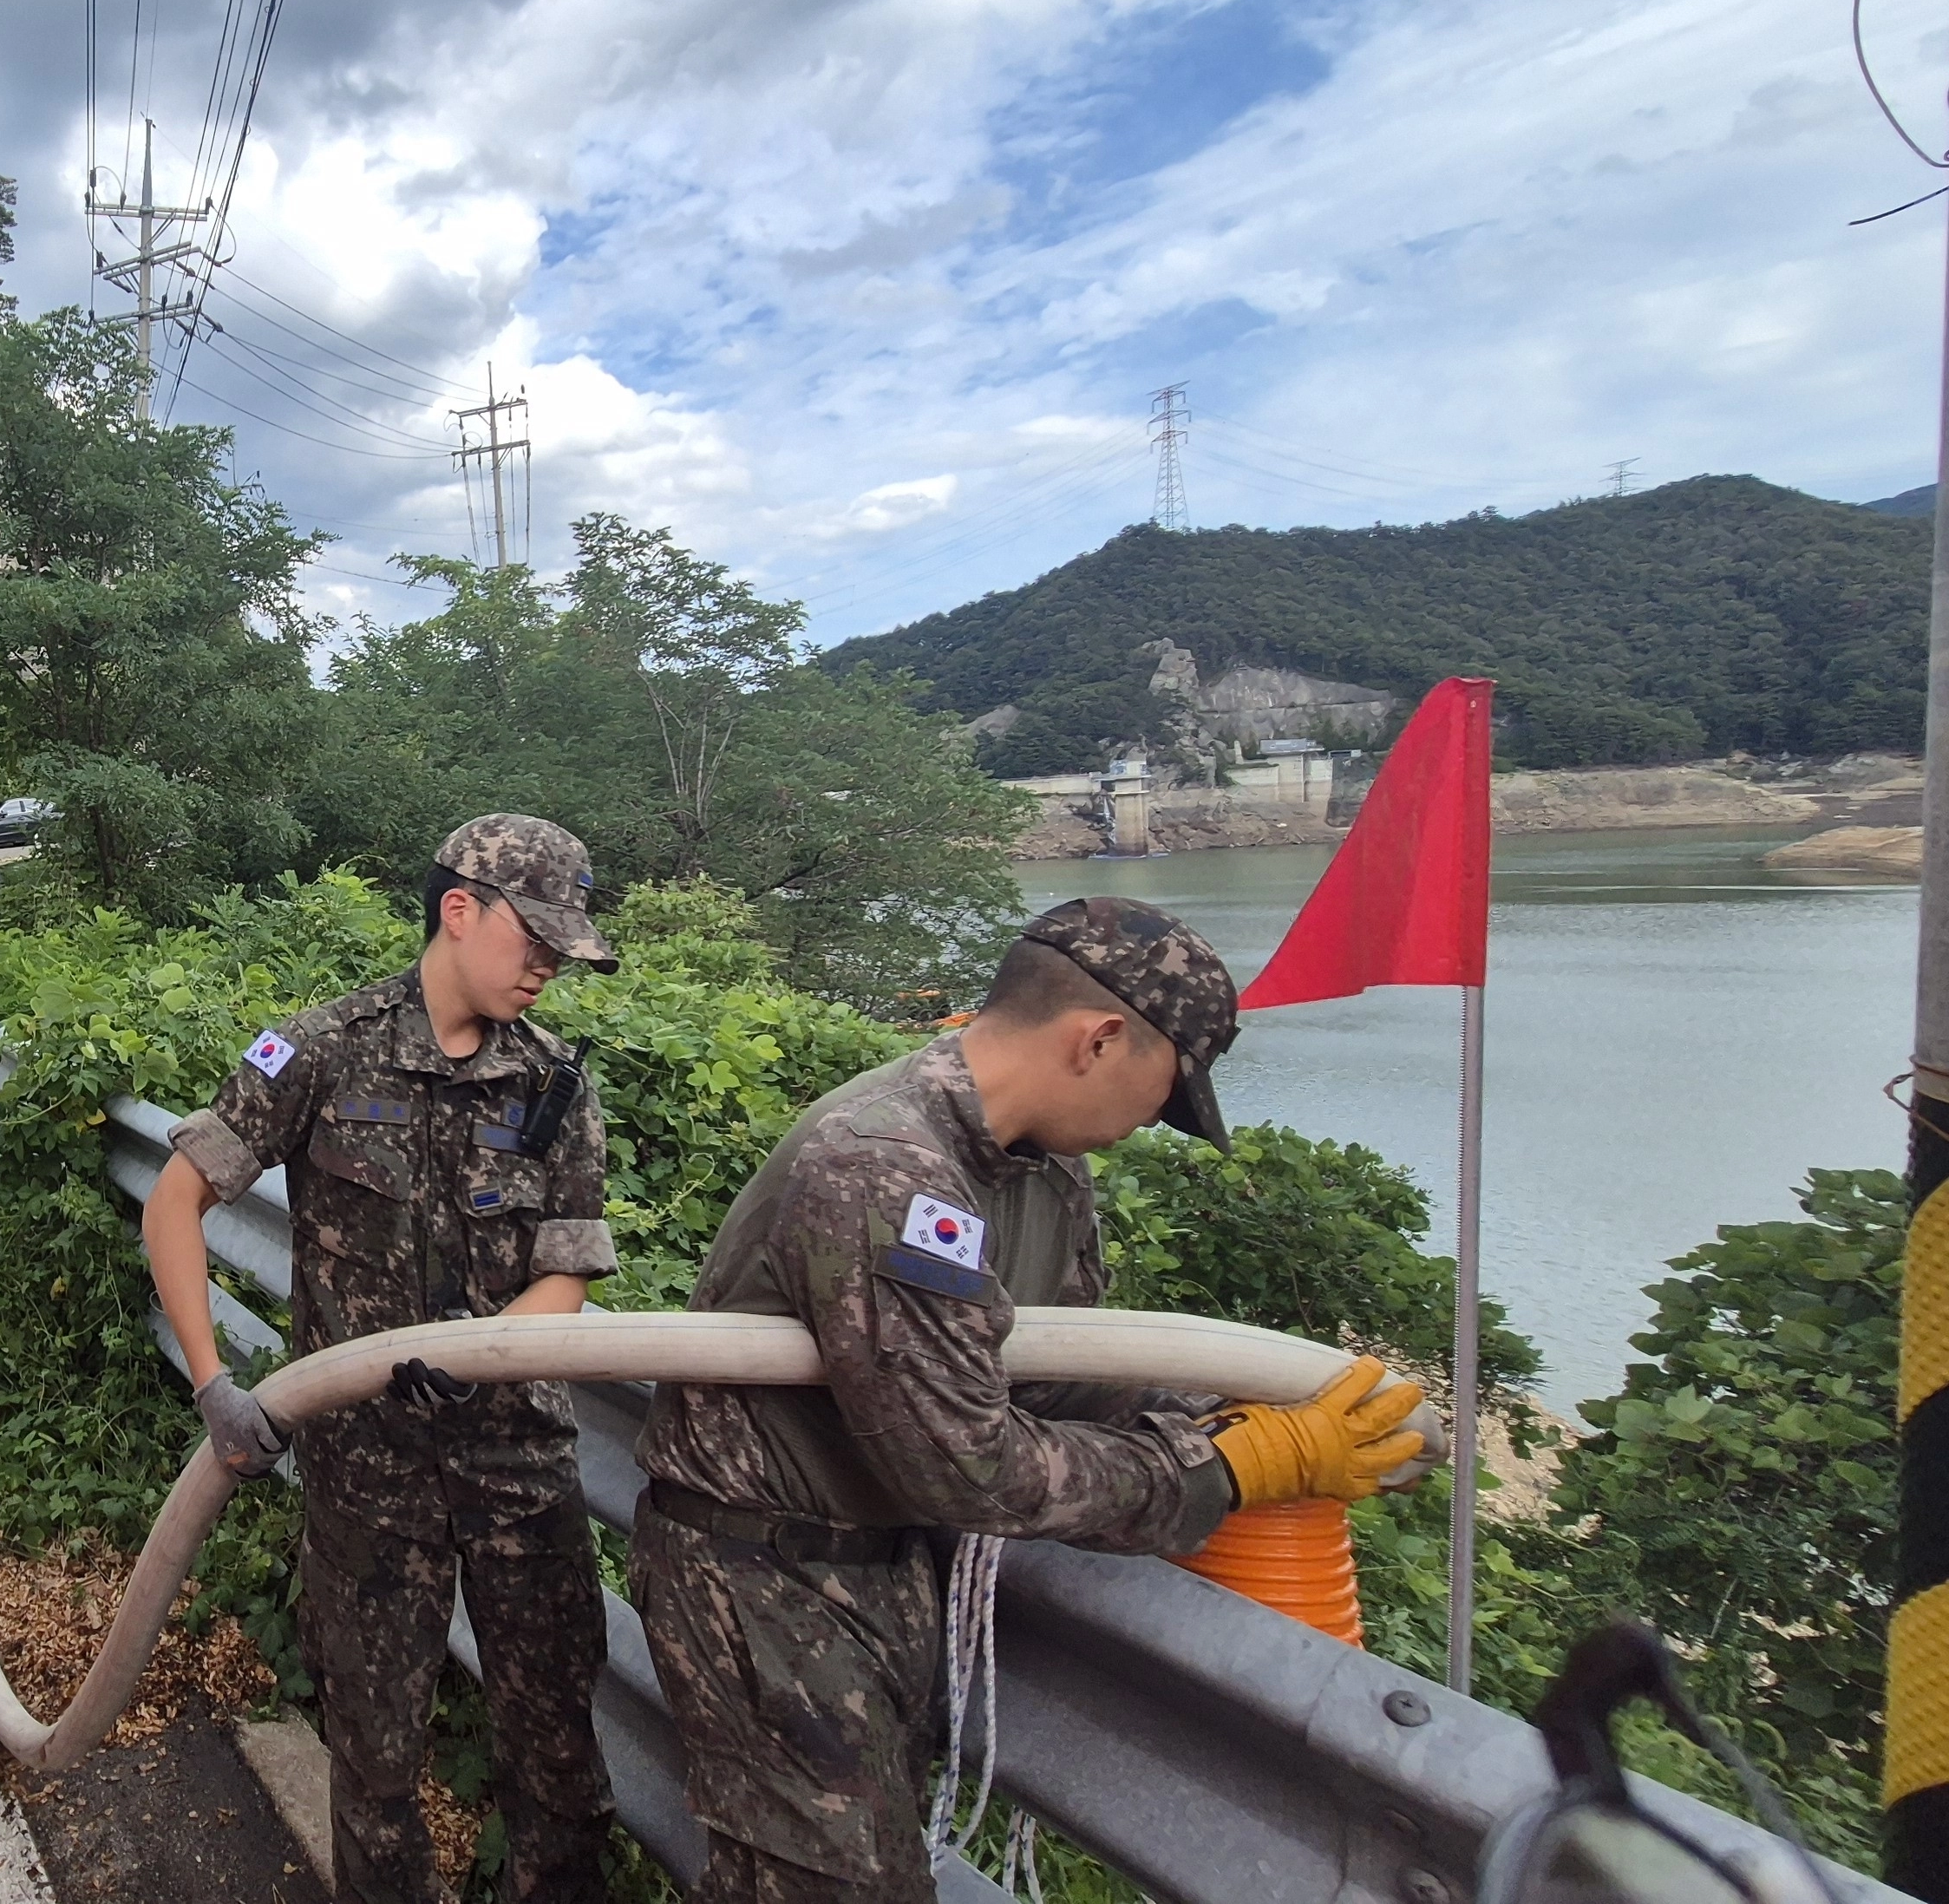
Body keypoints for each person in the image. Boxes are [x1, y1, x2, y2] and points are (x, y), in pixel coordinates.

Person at [629, 897, 1434, 1904]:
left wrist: (1219, 1402)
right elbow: (968, 1462)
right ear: (1098, 1039)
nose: (1151, 1124)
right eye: (1162, 1093)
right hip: (761, 1576)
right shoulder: (886, 1165)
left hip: (886, 1569)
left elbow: (1048, 1374)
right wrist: (1228, 1464)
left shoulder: (1038, 1171)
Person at [144, 815, 624, 1904]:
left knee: (559, 1766)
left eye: (563, 948)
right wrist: (215, 1379)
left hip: (518, 1470)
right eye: (534, 939)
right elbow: (177, 1198)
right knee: (375, 1765)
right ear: (460, 908)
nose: (549, 967)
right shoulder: (321, 1047)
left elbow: (568, 1274)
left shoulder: (553, 1084)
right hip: (367, 1478)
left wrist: (485, 1357)